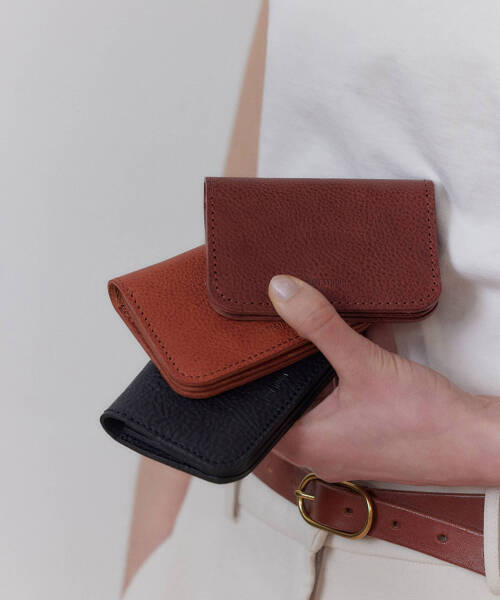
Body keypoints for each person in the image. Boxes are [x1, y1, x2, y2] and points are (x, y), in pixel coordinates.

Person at [122, 1, 500, 597]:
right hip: (231, 532)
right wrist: (148, 568)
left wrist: (475, 439)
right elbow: (230, 248)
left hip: (466, 560)